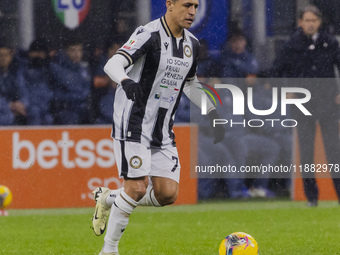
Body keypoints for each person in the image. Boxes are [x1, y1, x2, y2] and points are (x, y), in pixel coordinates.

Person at [91, 1, 225, 254]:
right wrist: (126, 81)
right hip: (133, 121)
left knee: (167, 194)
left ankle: (108, 198)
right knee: (137, 187)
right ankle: (109, 250)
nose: (193, 11)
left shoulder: (192, 45)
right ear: (170, 5)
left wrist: (211, 110)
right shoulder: (149, 34)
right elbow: (112, 64)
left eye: (196, 5)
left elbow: (190, 84)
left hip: (162, 130)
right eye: (187, 5)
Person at [267, 5, 340, 206]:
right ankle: (312, 198)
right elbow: (274, 72)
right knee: (306, 153)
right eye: (307, 20)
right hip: (302, 106)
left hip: (328, 105)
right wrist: (285, 91)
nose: (310, 24)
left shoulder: (330, 43)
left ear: (320, 22)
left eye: (313, 20)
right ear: (300, 22)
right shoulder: (291, 44)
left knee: (334, 152)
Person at [49, 38, 91, 125]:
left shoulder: (83, 67)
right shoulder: (56, 67)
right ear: (65, 52)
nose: (77, 54)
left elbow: (87, 88)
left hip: (83, 108)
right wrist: (80, 95)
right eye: (73, 50)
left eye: (80, 50)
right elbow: (72, 85)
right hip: (65, 109)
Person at [24, 39, 54, 125]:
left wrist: (49, 63)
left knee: (49, 119)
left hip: (48, 107)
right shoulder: (24, 68)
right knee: (35, 114)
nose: (39, 56)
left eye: (41, 53)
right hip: (31, 106)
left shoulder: (50, 68)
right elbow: (22, 88)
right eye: (36, 52)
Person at [0, 43, 29, 125]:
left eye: (6, 55)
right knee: (8, 117)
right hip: (4, 108)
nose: (3, 58)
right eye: (0, 55)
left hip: (17, 108)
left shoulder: (17, 72)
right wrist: (9, 105)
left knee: (34, 111)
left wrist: (21, 103)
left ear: (11, 56)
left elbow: (23, 90)